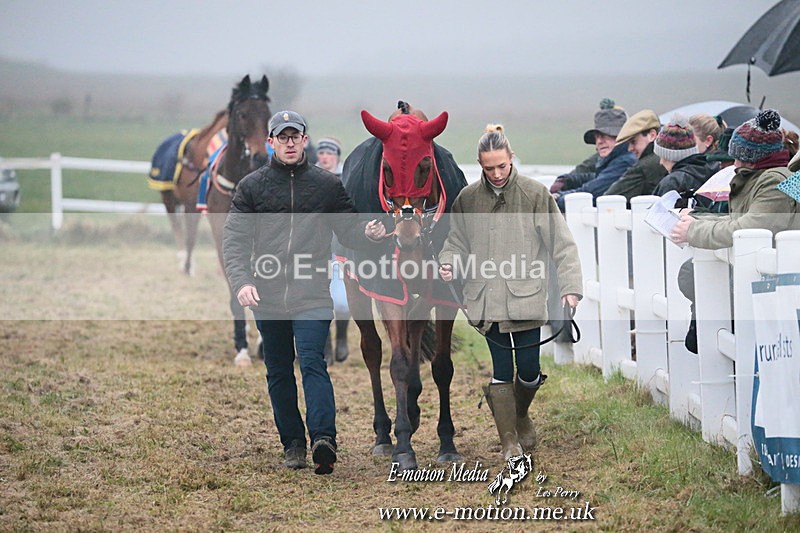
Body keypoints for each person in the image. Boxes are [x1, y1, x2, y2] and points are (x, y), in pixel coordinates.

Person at [223, 110, 386, 474]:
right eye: (283, 137)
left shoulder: (327, 185)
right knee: (279, 369)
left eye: (296, 136)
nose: (291, 142)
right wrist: (243, 282)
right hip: (266, 295)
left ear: (305, 139)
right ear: (272, 142)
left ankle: (324, 439)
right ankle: (292, 442)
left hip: (312, 293)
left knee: (313, 362)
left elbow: (349, 231)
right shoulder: (252, 187)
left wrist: (370, 235)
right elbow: (234, 241)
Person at [438, 124, 583, 461]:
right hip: (486, 301)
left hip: (526, 297)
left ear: (511, 157)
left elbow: (562, 244)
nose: (497, 173)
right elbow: (455, 241)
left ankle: (520, 415)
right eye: (489, 168)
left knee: (529, 371)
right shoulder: (468, 199)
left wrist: (571, 288)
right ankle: (508, 442)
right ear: (480, 164)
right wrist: (448, 262)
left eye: (502, 166)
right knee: (502, 371)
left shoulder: (535, 194)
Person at [671, 109, 799, 353]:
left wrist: (694, 230)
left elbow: (750, 228)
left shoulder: (774, 182)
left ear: (752, 158)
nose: (734, 165)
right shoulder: (764, 178)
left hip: (775, 287)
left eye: (738, 158)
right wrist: (697, 217)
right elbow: (741, 220)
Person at [550, 98, 636, 211]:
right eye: (597, 136)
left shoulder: (625, 161)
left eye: (606, 135)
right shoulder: (616, 159)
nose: (599, 141)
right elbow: (597, 178)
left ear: (621, 137)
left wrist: (558, 198)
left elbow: (592, 192)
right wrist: (567, 179)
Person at [314, 137, 351, 366]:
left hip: (339, 249)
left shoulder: (345, 182)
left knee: (342, 302)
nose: (325, 157)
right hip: (314, 249)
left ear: (337, 157)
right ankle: (325, 347)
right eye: (322, 153)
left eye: (330, 153)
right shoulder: (309, 180)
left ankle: (342, 335)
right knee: (319, 300)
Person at [602, 109, 667, 203]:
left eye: (633, 142)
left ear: (652, 135)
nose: (630, 148)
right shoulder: (670, 158)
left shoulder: (644, 167)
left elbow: (609, 200)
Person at [652, 114, 719, 204]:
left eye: (663, 156)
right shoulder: (712, 170)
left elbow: (657, 215)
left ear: (672, 156)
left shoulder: (672, 182)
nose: (661, 162)